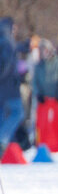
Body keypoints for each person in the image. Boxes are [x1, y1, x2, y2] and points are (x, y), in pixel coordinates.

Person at [0, 18, 24, 152]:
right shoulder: (7, 42)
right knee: (17, 112)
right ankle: (2, 140)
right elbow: (6, 64)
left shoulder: (3, 39)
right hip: (9, 87)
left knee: (2, 115)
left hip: (3, 88)